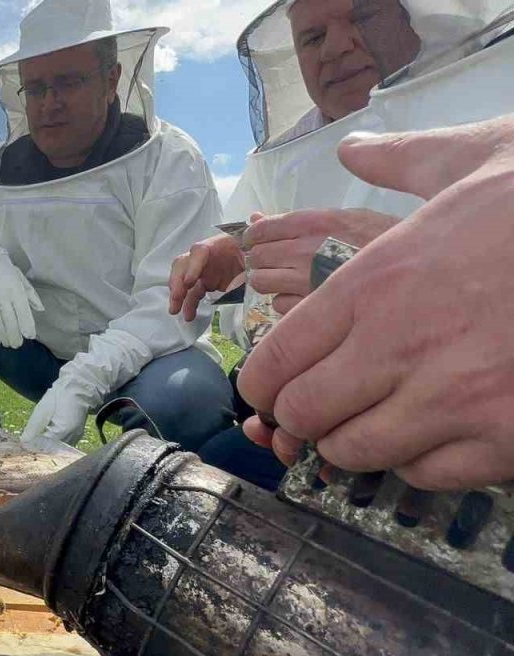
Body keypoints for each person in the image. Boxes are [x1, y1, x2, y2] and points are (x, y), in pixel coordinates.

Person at [168, 0, 514, 488]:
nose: (335, 47)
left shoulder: (493, 82)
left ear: (414, 14)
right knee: (217, 464)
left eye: (363, 15)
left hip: (459, 449)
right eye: (311, 38)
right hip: (312, 409)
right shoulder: (285, 155)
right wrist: (243, 256)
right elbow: (256, 313)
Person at [0, 0, 232, 451]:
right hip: (44, 357)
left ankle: (152, 494)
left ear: (111, 79)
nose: (49, 104)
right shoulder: (4, 175)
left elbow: (171, 299)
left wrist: (85, 378)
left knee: (187, 401)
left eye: (67, 82)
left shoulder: (170, 160)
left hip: (150, 360)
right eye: (36, 88)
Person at [238, 114, 514, 492]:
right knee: (231, 451)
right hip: (341, 426)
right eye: (311, 48)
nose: (336, 51)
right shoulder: (290, 159)